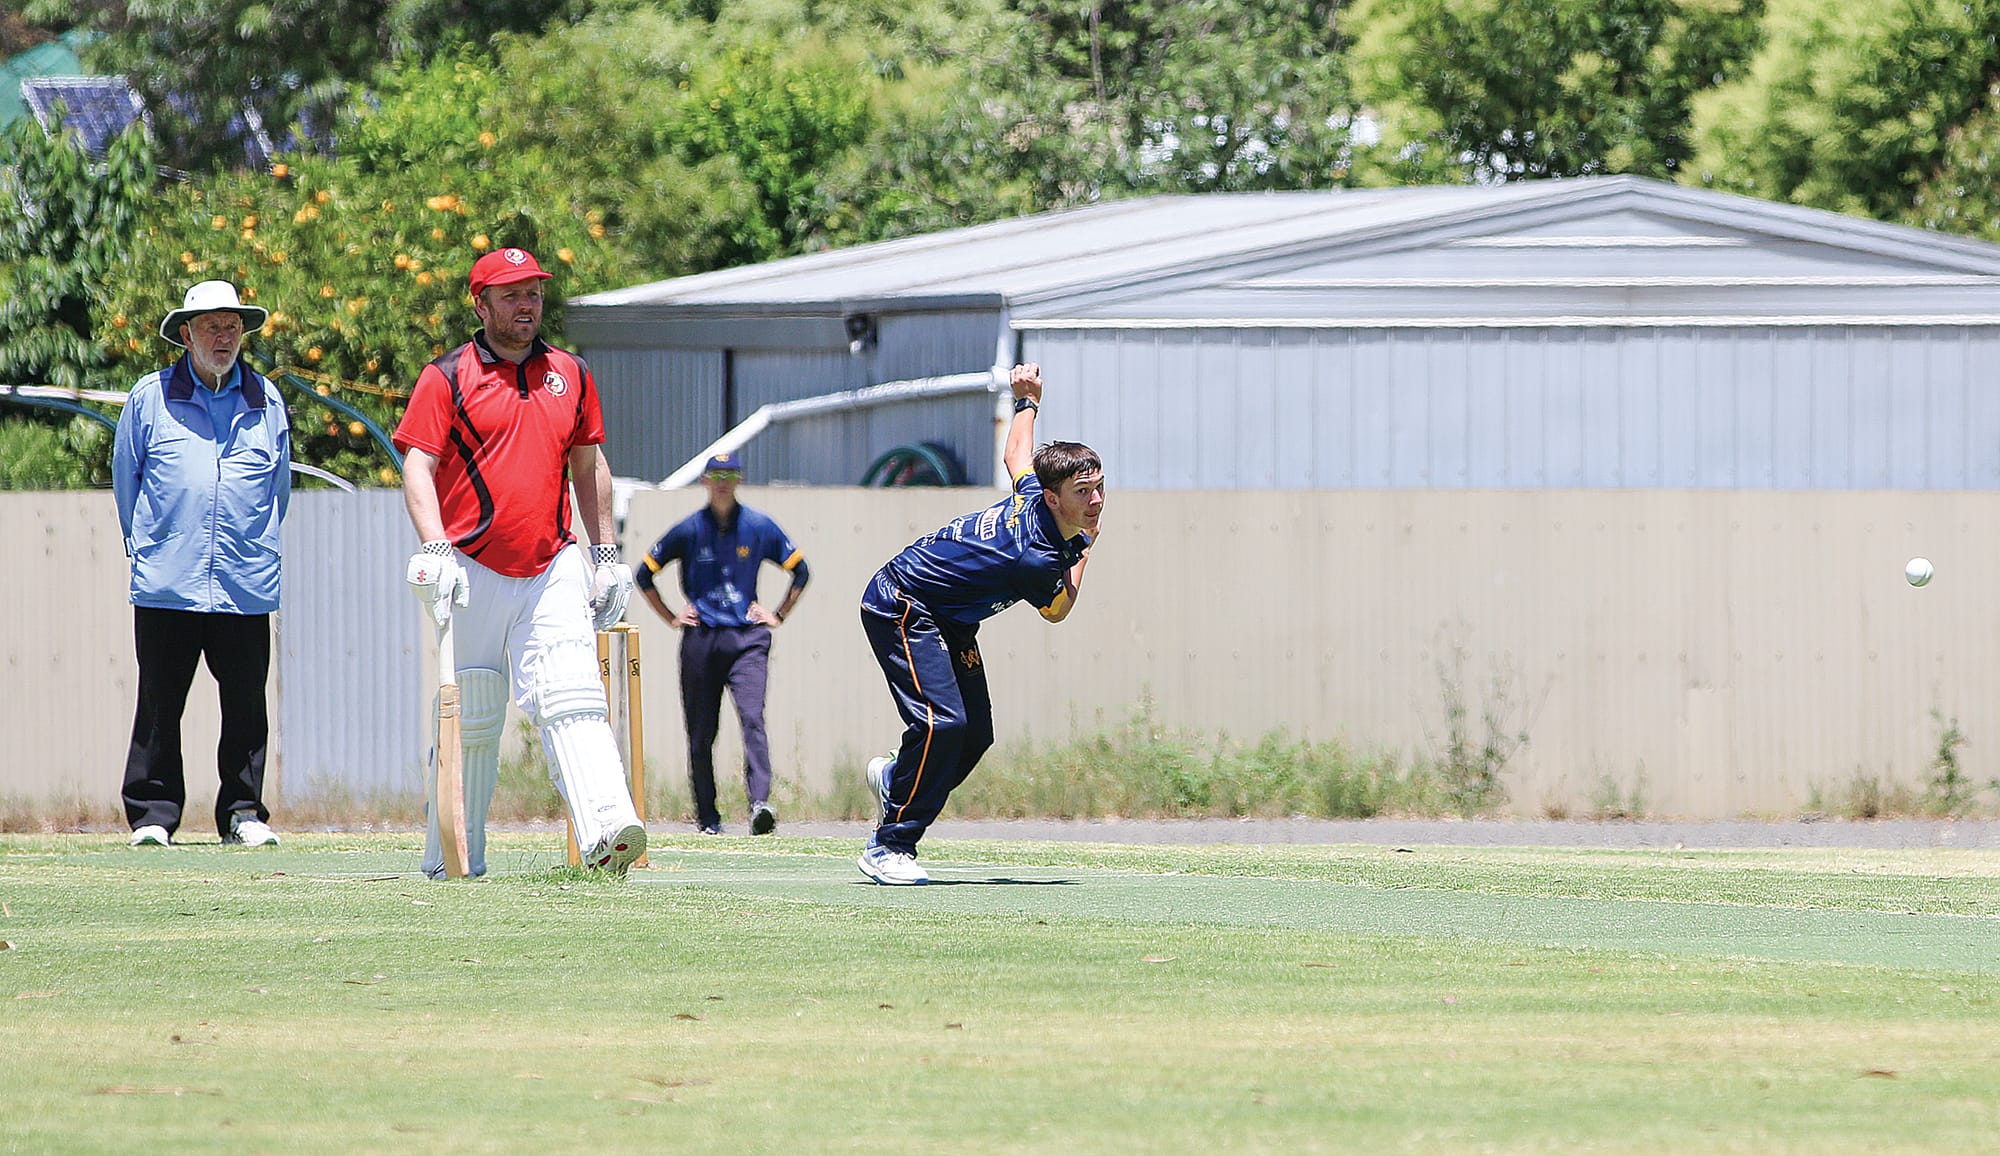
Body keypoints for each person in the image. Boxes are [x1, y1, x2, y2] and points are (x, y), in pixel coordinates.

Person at [393, 246, 645, 878]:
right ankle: (450, 859)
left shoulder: (571, 372)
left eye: (533, 292)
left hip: (552, 559)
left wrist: (606, 554)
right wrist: (434, 547)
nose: (526, 304)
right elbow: (417, 466)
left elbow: (588, 466)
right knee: (474, 713)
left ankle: (608, 831)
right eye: (510, 295)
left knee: (571, 691)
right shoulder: (446, 376)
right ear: (481, 305)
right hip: (471, 564)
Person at [856, 363, 1102, 884]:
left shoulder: (1035, 492)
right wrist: (1086, 547)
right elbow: (1058, 610)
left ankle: (898, 780)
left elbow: (1017, 453)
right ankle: (888, 846)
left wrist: (1027, 401)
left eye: (1099, 486)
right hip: (904, 601)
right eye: (1084, 492)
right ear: (1055, 498)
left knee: (975, 735)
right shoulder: (1036, 557)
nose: (1096, 500)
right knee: (942, 723)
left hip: (949, 617)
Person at [113, 280, 291, 849]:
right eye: (212, 326)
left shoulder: (267, 399)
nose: (224, 337)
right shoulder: (149, 397)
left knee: (245, 706)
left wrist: (251, 542)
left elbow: (278, 491)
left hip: (244, 578)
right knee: (160, 704)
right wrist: (147, 549)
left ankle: (243, 814)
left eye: (233, 326)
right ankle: (152, 816)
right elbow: (127, 483)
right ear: (186, 334)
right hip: (168, 580)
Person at [636, 451, 810, 835]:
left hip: (747, 639)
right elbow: (644, 574)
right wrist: (671, 617)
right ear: (705, 481)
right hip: (701, 639)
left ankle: (760, 804)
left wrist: (777, 614)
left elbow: (800, 570)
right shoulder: (688, 529)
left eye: (730, 474)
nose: (723, 482)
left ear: (739, 479)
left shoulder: (759, 527)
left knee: (752, 718)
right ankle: (708, 817)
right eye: (716, 475)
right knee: (701, 731)